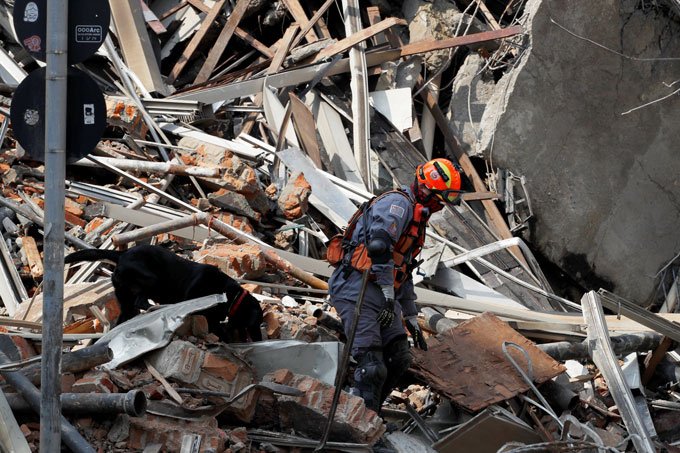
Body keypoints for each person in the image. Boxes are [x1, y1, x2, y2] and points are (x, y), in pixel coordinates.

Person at [328, 157, 463, 413]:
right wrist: (389, 293)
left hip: (382, 295)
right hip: (357, 288)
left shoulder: (415, 217)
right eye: (441, 198)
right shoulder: (397, 205)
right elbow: (379, 247)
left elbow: (404, 269)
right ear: (427, 190)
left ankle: (371, 416)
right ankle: (357, 424)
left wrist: (411, 315)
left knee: (399, 359)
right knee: (371, 367)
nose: (441, 205)